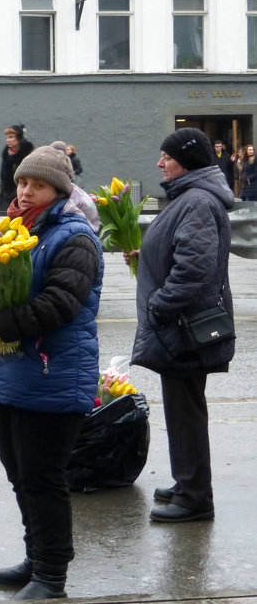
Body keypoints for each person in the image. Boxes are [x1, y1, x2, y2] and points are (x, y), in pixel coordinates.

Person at [0, 143, 103, 599]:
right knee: (20, 475)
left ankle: (51, 575)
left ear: (58, 190)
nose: (27, 191)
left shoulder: (75, 237)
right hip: (8, 373)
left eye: (37, 185)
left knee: (43, 479)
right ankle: (36, 556)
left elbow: (60, 303)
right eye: (22, 182)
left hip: (53, 374)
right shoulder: (6, 229)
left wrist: (0, 322)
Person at [129, 128, 234, 523]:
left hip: (183, 324)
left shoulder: (197, 202)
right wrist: (149, 254)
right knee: (182, 409)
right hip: (180, 323)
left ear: (186, 161)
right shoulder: (191, 199)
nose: (160, 163)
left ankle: (195, 497)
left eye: (166, 157)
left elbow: (195, 269)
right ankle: (186, 481)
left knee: (186, 411)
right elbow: (183, 250)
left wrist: (160, 302)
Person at [0, 125, 35, 210]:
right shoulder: (6, 154)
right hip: (7, 191)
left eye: (11, 137)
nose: (8, 140)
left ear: (18, 138)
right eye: (7, 138)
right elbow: (3, 175)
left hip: (23, 190)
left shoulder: (26, 152)